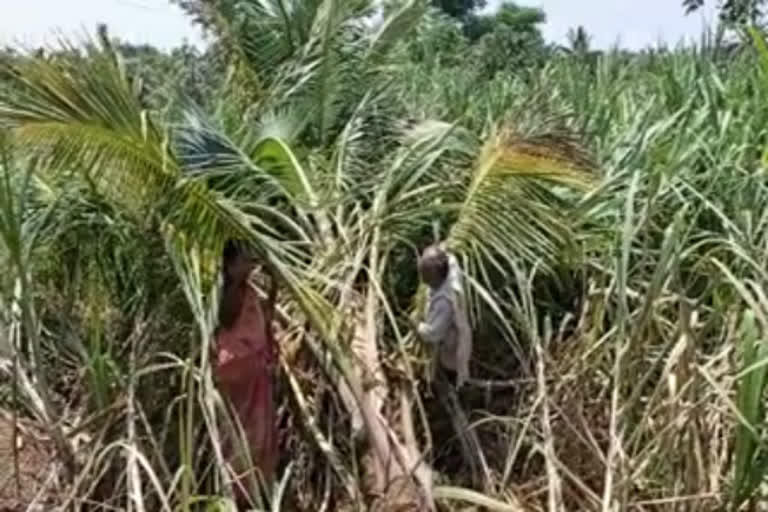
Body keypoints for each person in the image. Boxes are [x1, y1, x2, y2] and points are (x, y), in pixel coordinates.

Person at [213, 239, 278, 508]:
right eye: (242, 260)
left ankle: (252, 492)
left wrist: (274, 282)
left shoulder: (248, 289)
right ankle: (238, 494)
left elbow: (265, 313)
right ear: (229, 266)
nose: (249, 264)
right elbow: (228, 321)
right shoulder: (230, 292)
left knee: (257, 434)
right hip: (239, 374)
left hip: (251, 372)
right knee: (243, 435)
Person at [416, 244, 472, 388]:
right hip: (449, 321)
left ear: (437, 278)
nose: (423, 280)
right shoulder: (450, 263)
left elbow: (433, 334)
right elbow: (444, 252)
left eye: (426, 277)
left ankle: (449, 384)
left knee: (448, 359)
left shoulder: (445, 302)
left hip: (452, 335)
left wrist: (417, 326)